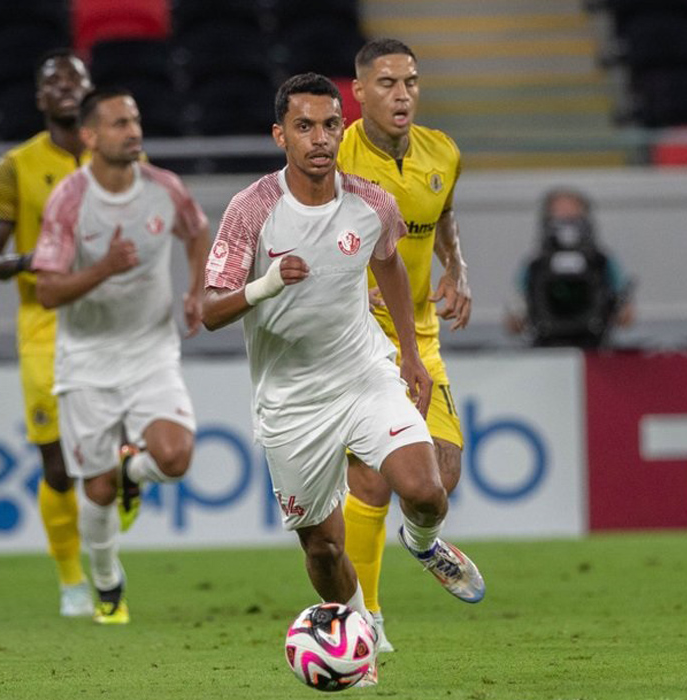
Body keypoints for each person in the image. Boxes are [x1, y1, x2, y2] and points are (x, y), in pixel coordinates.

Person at [201, 73, 484, 686]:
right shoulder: (251, 210)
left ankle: (423, 540)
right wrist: (269, 283)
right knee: (324, 548)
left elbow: (388, 266)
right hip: (291, 402)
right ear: (281, 135)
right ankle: (358, 637)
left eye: (330, 125)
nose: (320, 138)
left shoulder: (371, 201)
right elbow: (209, 309)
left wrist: (409, 356)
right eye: (304, 127)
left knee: (427, 487)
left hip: (364, 373)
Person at [32, 87, 211, 625]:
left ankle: (138, 470)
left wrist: (198, 290)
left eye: (135, 120)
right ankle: (107, 579)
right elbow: (47, 290)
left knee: (176, 457)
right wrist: (103, 269)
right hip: (86, 362)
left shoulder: (164, 188)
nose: (132, 131)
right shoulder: (69, 200)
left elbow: (199, 234)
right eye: (117, 123)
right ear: (89, 136)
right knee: (98, 489)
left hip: (152, 350)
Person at [334, 38, 477, 653]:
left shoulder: (442, 151)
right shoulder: (334, 154)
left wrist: (458, 269)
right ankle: (367, 616)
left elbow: (441, 215)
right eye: (388, 83)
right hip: (353, 338)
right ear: (360, 92)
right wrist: (342, 282)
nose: (402, 94)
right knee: (371, 478)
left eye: (411, 82)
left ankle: (421, 542)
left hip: (419, 334)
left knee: (437, 483)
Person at [0, 49, 94, 618]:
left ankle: (116, 509)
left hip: (115, 324)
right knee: (57, 466)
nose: (65, 87)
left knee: (129, 454)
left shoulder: (120, 155)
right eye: (53, 81)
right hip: (46, 326)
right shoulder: (14, 166)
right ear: (40, 99)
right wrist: (35, 257)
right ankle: (72, 579)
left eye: (74, 78)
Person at [504, 187, 635, 347]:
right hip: (547, 345)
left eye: (573, 218)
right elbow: (514, 318)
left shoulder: (601, 262)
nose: (567, 226)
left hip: (594, 346)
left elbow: (627, 316)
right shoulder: (536, 265)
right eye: (560, 218)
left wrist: (618, 310)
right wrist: (518, 316)